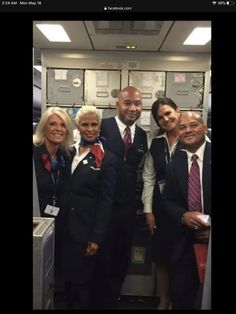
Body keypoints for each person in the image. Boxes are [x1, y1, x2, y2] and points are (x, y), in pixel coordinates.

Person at [91, 86, 148, 308]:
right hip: (101, 206)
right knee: (100, 258)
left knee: (121, 257)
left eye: (137, 104)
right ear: (117, 105)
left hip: (127, 210)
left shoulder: (142, 136)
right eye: (127, 103)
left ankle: (112, 298)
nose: (133, 108)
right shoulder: (101, 127)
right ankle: (98, 302)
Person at [60, 105, 118, 309]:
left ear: (100, 127)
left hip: (85, 230)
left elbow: (106, 201)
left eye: (94, 124)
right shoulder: (67, 152)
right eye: (85, 124)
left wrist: (96, 237)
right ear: (78, 126)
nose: (90, 129)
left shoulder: (107, 159)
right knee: (67, 281)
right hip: (63, 227)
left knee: (82, 283)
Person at [161, 111, 211, 309]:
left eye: (194, 125)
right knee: (182, 296)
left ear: (204, 128)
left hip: (210, 240)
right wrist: (183, 216)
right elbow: (167, 201)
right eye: (182, 127)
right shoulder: (175, 165)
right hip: (185, 243)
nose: (188, 130)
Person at [142, 98, 185, 309]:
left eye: (168, 113)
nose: (165, 119)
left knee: (182, 258)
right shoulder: (156, 143)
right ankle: (164, 299)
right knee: (161, 256)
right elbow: (149, 177)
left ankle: (180, 300)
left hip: (185, 209)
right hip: (159, 209)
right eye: (160, 118)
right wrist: (148, 211)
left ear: (178, 111)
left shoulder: (192, 139)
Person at [33, 107, 74, 296]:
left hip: (60, 222)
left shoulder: (66, 155)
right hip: (37, 223)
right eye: (52, 124)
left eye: (62, 125)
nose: (58, 128)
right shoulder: (34, 153)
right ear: (43, 128)